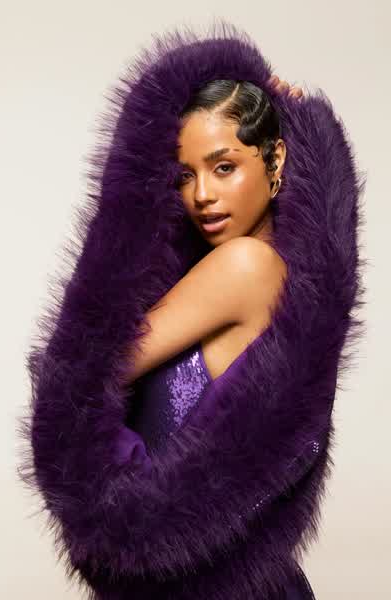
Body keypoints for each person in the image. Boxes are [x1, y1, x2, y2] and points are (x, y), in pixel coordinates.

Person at [123, 75, 317, 599]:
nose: (202, 195)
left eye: (224, 167)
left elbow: (88, 364)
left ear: (275, 160)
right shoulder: (292, 279)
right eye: (185, 175)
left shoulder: (244, 265)